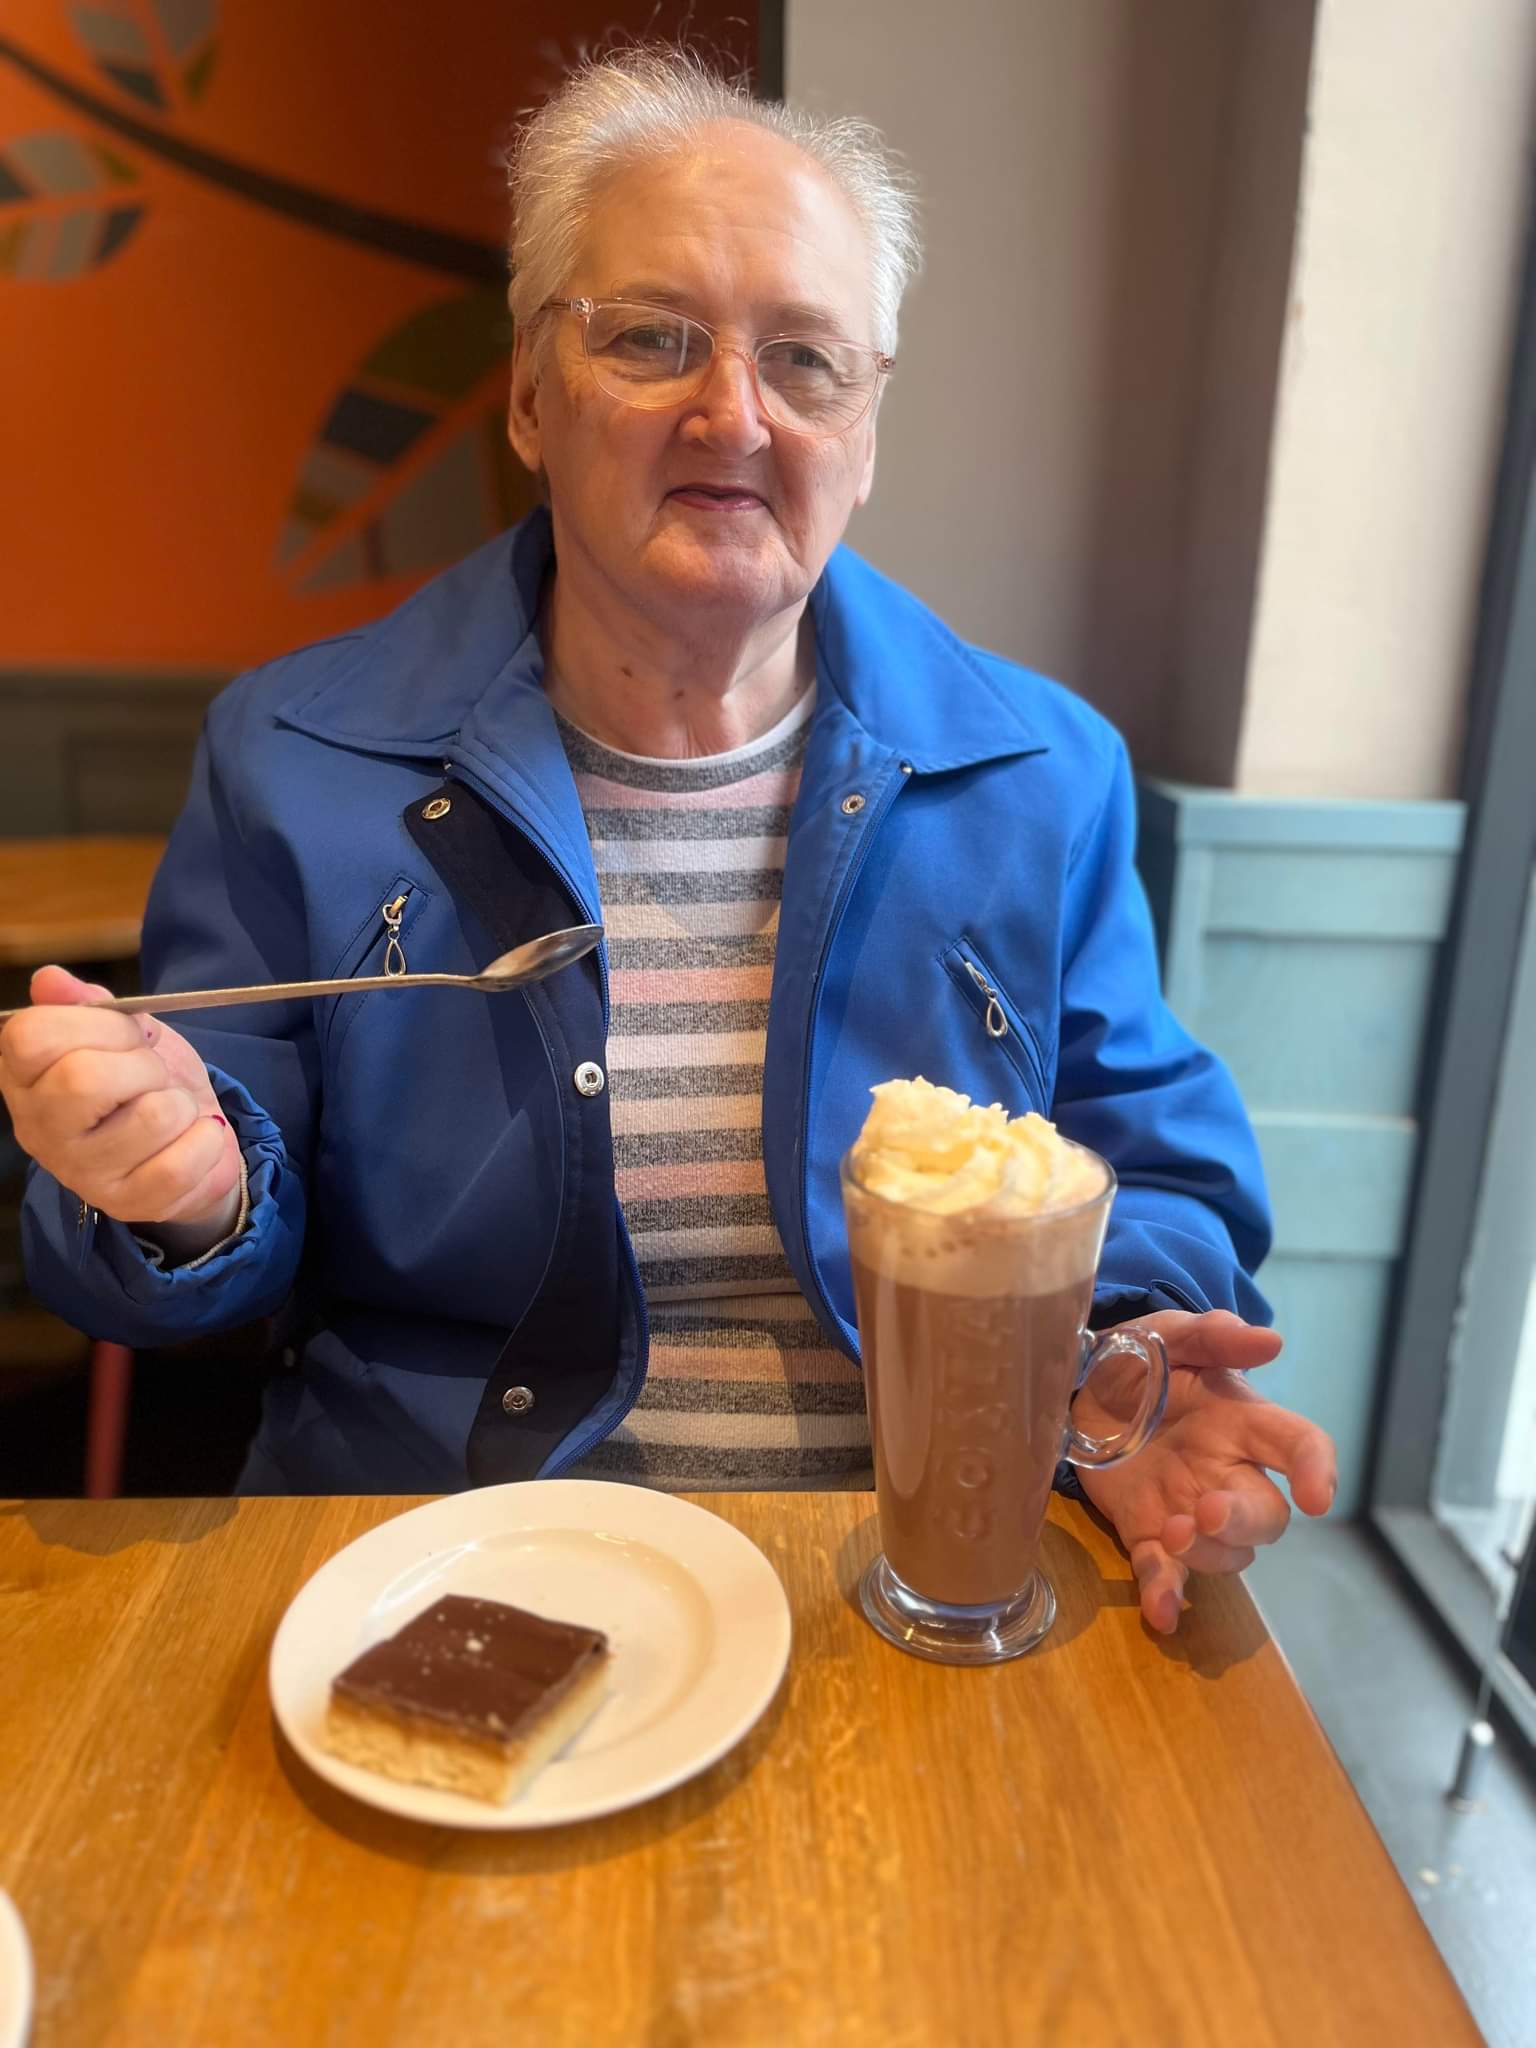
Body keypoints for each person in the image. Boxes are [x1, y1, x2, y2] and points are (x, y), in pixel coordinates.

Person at [1, 47, 1336, 1633]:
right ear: (528, 394)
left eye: (807, 361)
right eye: (650, 338)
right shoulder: (299, 755)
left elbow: (1151, 1156)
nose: (734, 413)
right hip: (439, 1553)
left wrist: (1118, 1353)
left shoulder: (1041, 774)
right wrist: (179, 1187)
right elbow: (196, 1230)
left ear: (867, 427)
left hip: (912, 1558)